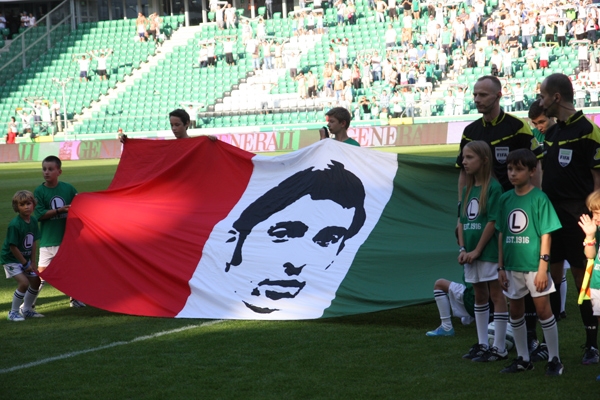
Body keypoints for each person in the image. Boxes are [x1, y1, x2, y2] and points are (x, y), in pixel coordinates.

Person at [539, 73, 600, 365]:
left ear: (556, 97)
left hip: (578, 217)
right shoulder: (551, 132)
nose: (540, 101)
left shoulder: (588, 130)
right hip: (550, 218)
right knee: (548, 279)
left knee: (583, 282)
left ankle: (591, 345)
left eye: (542, 96)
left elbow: (598, 180)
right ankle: (547, 345)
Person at [497, 149, 563, 376]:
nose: (512, 174)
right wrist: (501, 267)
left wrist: (543, 268)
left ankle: (555, 358)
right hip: (512, 266)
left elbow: (546, 235)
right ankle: (523, 358)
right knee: (515, 311)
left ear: (532, 171)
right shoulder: (505, 199)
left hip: (535, 267)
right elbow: (501, 234)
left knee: (543, 310)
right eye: (509, 169)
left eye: (518, 169)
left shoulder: (540, 199)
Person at [457, 141, 509, 362]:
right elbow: (460, 221)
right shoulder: (468, 188)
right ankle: (481, 343)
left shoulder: (494, 188)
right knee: (479, 295)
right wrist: (462, 248)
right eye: (464, 157)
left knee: (496, 295)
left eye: (469, 158)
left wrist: (477, 250)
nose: (464, 162)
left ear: (484, 160)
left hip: (487, 252)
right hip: (470, 252)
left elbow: (493, 222)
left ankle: (499, 347)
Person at [456, 76, 542, 194]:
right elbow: (464, 173)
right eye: (475, 95)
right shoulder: (469, 132)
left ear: (498, 95)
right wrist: (461, 203)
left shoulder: (518, 127)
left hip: (513, 202)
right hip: (481, 205)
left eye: (483, 95)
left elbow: (535, 164)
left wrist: (534, 199)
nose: (477, 99)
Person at [33, 156, 84, 308]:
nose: (46, 172)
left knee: (72, 271)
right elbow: (40, 215)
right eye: (44, 169)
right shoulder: (39, 191)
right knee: (42, 274)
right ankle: (29, 304)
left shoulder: (68, 189)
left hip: (67, 240)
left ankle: (74, 299)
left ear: (59, 171)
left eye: (50, 169)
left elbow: (80, 205)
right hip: (48, 240)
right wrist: (59, 210)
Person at [2, 190, 42, 321]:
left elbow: (33, 242)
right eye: (22, 204)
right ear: (17, 207)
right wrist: (25, 264)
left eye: (29, 203)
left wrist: (32, 262)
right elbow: (12, 247)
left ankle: (27, 309)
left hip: (24, 259)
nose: (26, 207)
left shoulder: (33, 221)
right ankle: (13, 312)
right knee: (24, 283)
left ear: (33, 205)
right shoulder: (15, 225)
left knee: (36, 281)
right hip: (11, 259)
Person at [578, 189, 600, 380]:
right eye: (593, 213)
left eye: (598, 213)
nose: (595, 217)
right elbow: (590, 256)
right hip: (597, 286)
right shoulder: (597, 231)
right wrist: (590, 236)